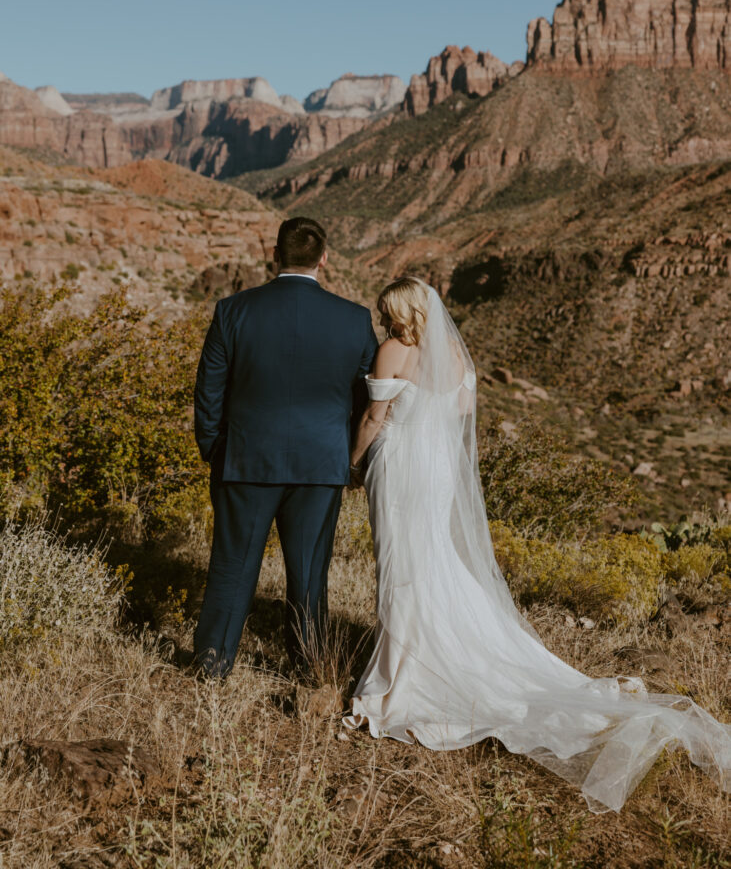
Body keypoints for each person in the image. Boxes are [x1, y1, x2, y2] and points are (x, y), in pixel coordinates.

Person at [344, 276, 730, 813]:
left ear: (401, 312)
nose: (385, 319)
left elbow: (373, 416)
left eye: (388, 310)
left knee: (401, 563)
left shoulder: (393, 350)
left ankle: (405, 674)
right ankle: (425, 650)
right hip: (433, 471)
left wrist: (353, 462)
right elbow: (458, 414)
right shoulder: (453, 355)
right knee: (431, 560)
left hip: (399, 466)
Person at [193, 216, 377, 679]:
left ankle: (212, 667)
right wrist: (351, 459)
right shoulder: (354, 319)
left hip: (246, 459)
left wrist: (215, 448)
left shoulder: (232, 310)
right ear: (324, 258)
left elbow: (209, 391)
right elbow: (366, 398)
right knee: (310, 575)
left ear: (275, 255)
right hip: (321, 464)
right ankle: (309, 669)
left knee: (233, 566)